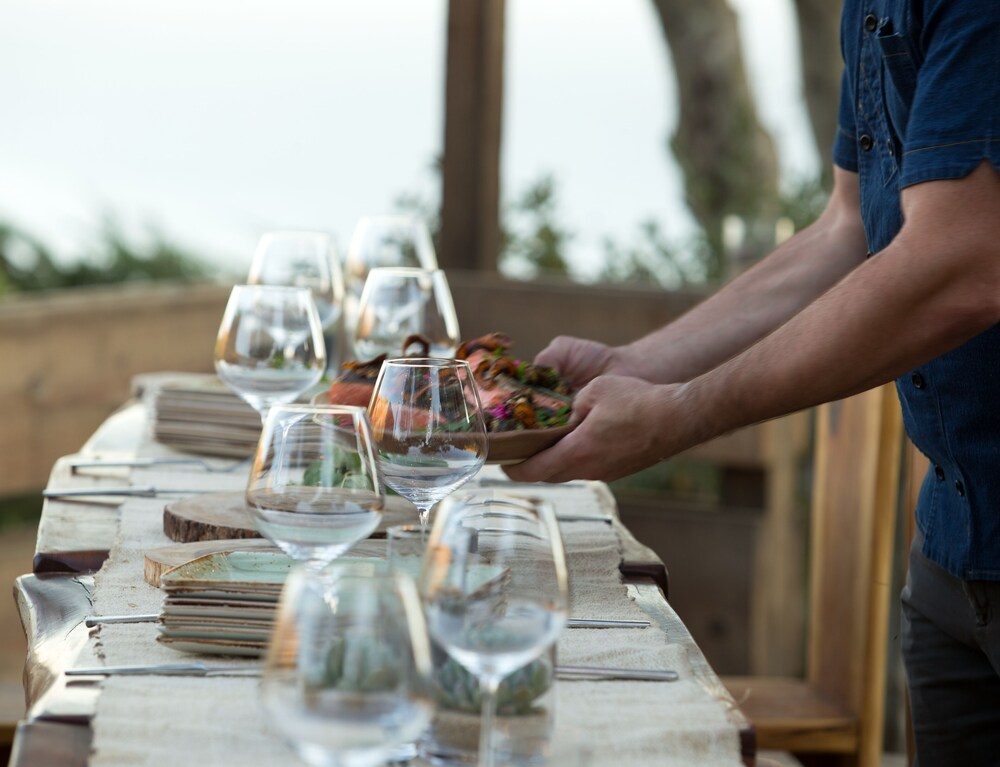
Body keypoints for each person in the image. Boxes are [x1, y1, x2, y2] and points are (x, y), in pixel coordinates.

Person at [505, 2, 1000, 764]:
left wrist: (677, 416)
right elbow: (849, 228)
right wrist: (643, 364)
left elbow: (959, 264)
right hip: (951, 554)